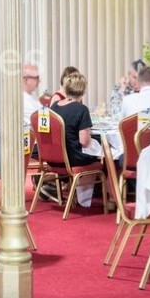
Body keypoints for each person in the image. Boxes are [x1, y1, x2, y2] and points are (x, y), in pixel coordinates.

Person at [45, 72, 103, 209]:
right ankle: (109, 200)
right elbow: (84, 141)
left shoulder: (54, 107)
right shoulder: (81, 109)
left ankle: (81, 197)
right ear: (83, 90)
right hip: (72, 159)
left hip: (53, 157)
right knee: (103, 158)